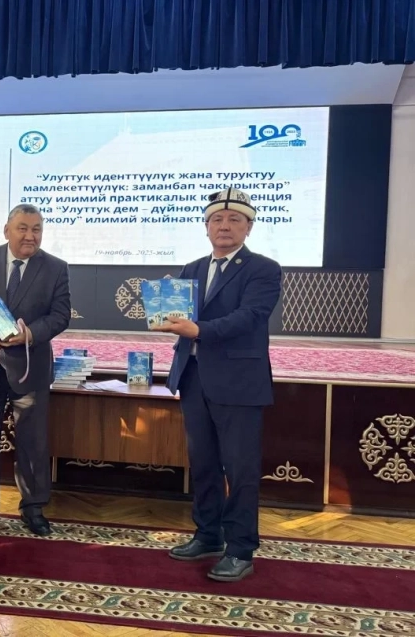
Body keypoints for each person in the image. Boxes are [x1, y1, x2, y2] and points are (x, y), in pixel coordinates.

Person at [153, 188, 282, 582]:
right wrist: (164, 315)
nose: (224, 226)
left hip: (239, 383)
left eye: (234, 220)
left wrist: (199, 330)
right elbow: (178, 316)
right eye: (217, 220)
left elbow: (251, 316)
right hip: (194, 379)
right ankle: (208, 534)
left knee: (240, 469)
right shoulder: (192, 268)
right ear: (206, 226)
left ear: (249, 227)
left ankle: (240, 549)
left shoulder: (263, 269)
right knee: (204, 464)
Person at [0, 203, 71, 537]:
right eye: (23, 228)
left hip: (29, 368)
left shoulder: (56, 267)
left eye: (36, 229)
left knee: (33, 444)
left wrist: (29, 334)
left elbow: (61, 315)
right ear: (7, 230)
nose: (30, 235)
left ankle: (33, 508)